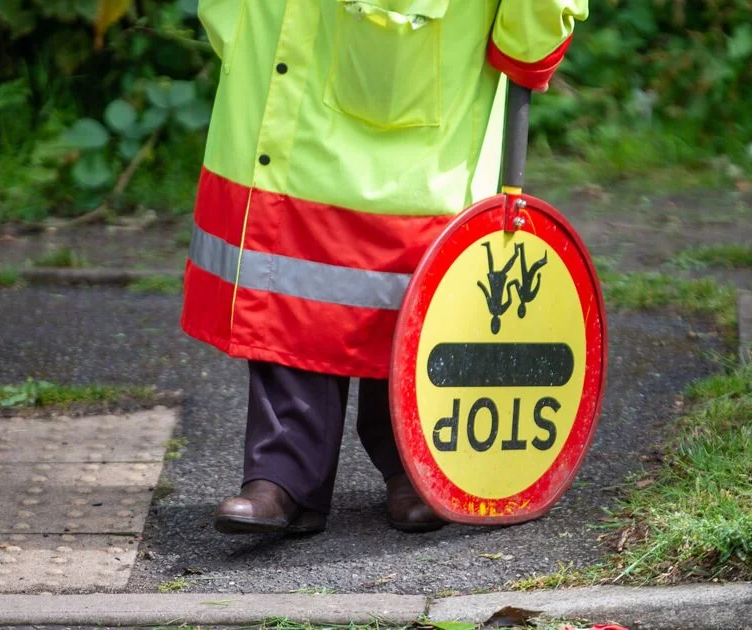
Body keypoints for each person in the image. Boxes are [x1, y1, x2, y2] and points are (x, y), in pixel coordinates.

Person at [183, 0, 588, 535]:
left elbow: (531, 38)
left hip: (417, 108)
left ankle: (415, 460)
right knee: (282, 277)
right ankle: (283, 474)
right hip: (279, 74)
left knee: (407, 288)